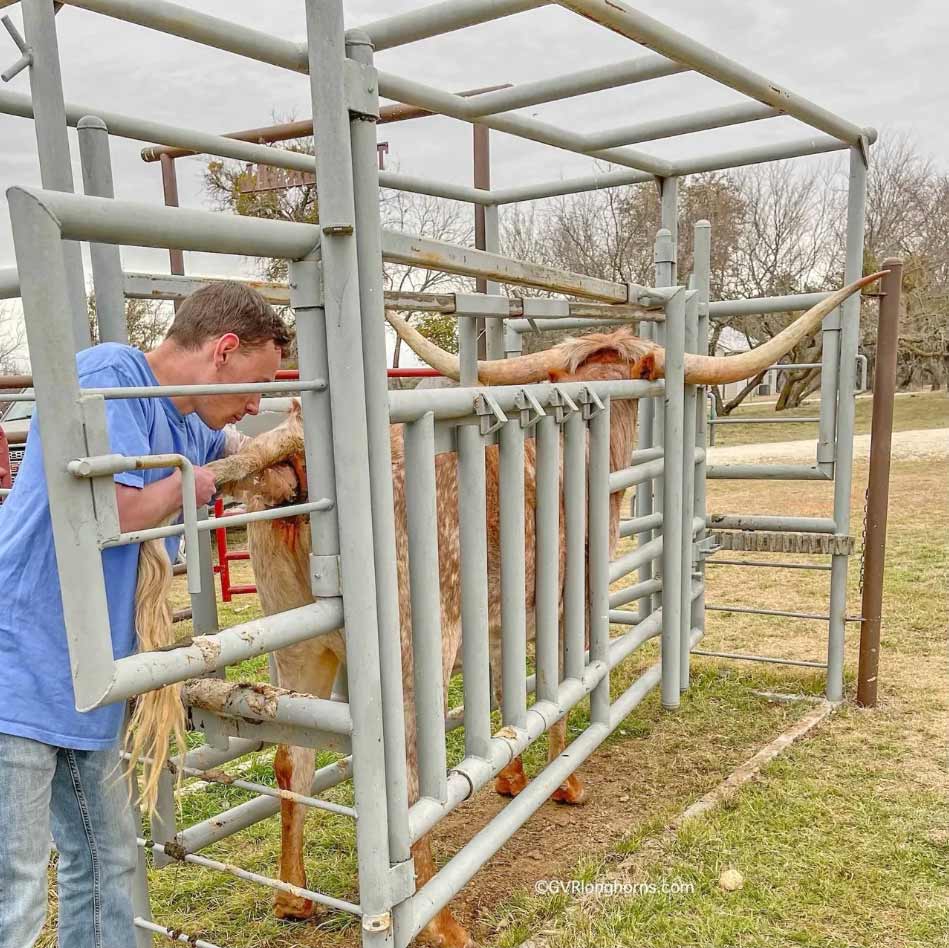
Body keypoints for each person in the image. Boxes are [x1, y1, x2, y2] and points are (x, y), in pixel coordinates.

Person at [0, 281, 292, 948]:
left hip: (89, 673)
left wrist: (278, 441)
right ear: (223, 350)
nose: (256, 400)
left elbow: (243, 450)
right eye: (259, 381)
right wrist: (194, 483)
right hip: (17, 659)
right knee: (12, 885)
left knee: (105, 858)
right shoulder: (110, 374)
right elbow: (119, 513)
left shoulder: (185, 419)